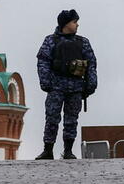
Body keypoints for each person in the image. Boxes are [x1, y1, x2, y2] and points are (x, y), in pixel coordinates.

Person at [36, 9, 97, 160]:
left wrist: (91, 85)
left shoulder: (83, 42)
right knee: (52, 118)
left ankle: (68, 151)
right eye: (74, 22)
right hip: (56, 86)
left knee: (71, 120)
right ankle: (48, 150)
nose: (77, 25)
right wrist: (45, 82)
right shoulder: (51, 41)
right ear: (65, 24)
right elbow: (43, 61)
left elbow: (91, 64)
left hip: (76, 87)